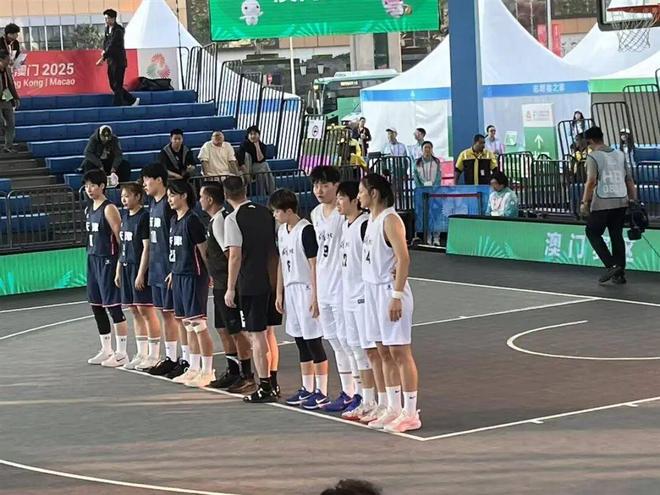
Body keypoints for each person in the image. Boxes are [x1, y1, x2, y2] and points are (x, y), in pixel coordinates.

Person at [358, 173, 421, 433]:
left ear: (373, 193)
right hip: (372, 291)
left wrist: (396, 296)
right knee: (383, 351)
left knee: (400, 352)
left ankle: (411, 412)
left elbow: (403, 258)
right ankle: (393, 407)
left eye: (361, 191)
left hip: (388, 291)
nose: (358, 196)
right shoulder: (370, 221)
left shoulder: (390, 219)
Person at [269, 189, 330, 409]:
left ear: (288, 211)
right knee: (300, 341)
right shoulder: (281, 231)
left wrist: (315, 296)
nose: (274, 215)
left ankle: (321, 391)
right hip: (291, 289)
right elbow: (280, 262)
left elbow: (314, 265)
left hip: (306, 288)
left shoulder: (306, 230)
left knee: (313, 341)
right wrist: (279, 292)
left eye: (277, 211)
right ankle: (307, 387)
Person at [223, 176, 280, 403]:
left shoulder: (233, 218)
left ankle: (264, 386)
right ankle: (272, 382)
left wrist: (230, 288)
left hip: (251, 282)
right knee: (269, 333)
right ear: (245, 190)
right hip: (272, 279)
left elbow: (235, 255)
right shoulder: (267, 213)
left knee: (257, 336)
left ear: (226, 195)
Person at [310, 166, 360, 412]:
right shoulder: (315, 213)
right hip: (324, 284)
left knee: (348, 340)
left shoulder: (345, 214)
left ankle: (360, 393)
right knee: (334, 341)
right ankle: (347, 391)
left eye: (325, 185)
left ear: (337, 186)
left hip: (343, 285)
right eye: (316, 185)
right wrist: (315, 293)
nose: (319, 190)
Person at [336, 181, 386, 422]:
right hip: (348, 296)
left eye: (342, 198)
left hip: (364, 297)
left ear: (355, 200)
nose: (338, 203)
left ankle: (385, 402)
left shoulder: (365, 224)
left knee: (373, 352)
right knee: (359, 351)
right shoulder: (345, 225)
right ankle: (367, 400)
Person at [199, 182, 256, 393]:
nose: (199, 200)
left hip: (227, 284)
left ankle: (247, 375)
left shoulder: (221, 221)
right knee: (223, 329)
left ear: (210, 199)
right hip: (219, 283)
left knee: (236, 331)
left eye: (201, 196)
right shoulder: (214, 220)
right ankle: (233, 371)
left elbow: (229, 253)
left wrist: (231, 284)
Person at [165, 180, 215, 388]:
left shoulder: (192, 221)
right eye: (168, 195)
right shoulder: (174, 220)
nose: (169, 199)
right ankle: (193, 368)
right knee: (187, 324)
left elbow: (203, 251)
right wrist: (173, 271)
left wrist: (210, 274)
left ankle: (208, 370)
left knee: (198, 324)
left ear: (184, 195)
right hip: (179, 275)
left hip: (193, 276)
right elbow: (178, 251)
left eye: (172, 195)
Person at [140, 164, 188, 378]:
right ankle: (171, 357)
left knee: (179, 316)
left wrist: (174, 268)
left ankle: (186, 359)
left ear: (159, 180)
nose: (144, 184)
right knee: (165, 314)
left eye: (147, 179)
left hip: (170, 268)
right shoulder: (153, 204)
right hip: (157, 267)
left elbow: (177, 237)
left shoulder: (169, 207)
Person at [83, 169, 130, 367]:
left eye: (92, 185)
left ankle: (122, 352)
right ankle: (106, 349)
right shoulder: (89, 208)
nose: (89, 189)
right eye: (86, 186)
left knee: (113, 306)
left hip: (107, 260)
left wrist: (120, 264)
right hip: (92, 259)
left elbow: (120, 239)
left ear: (102, 186)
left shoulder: (109, 208)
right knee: (96, 305)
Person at [581, 126, 637, 285]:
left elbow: (591, 181)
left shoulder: (593, 157)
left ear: (590, 141)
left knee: (592, 232)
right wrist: (633, 199)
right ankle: (619, 274)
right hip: (621, 200)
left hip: (602, 201)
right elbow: (629, 179)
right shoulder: (619, 154)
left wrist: (585, 202)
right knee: (616, 235)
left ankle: (611, 265)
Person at [114, 183, 161, 369]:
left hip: (138, 267)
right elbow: (123, 246)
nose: (124, 199)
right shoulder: (125, 216)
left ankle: (154, 354)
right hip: (126, 266)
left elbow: (147, 248)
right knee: (134, 310)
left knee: (146, 310)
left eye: (127, 196)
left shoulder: (144, 217)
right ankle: (141, 353)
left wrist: (141, 273)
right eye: (122, 196)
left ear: (138, 197)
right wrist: (118, 269)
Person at [96, 9, 138, 107]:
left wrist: (103, 58)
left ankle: (118, 106)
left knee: (118, 85)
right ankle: (131, 100)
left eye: (107, 18)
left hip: (119, 61)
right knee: (113, 84)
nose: (106, 20)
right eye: (105, 18)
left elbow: (113, 45)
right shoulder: (107, 28)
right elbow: (106, 42)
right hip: (111, 61)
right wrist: (104, 50)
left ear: (113, 18)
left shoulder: (118, 30)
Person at [237, 125, 275, 195]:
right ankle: (271, 192)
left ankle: (263, 194)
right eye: (251, 134)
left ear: (258, 135)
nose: (253, 136)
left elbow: (260, 160)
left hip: (257, 168)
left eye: (255, 134)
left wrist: (257, 146)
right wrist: (247, 175)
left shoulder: (262, 145)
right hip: (247, 168)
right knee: (263, 167)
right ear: (248, 135)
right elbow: (241, 161)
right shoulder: (244, 144)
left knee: (263, 168)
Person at [0, 49, 19, 153]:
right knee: (1, 122)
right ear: (1, 60)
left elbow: (11, 84)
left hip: (6, 96)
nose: (9, 61)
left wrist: (15, 97)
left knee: (11, 123)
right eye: (7, 59)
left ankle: (8, 146)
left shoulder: (7, 70)